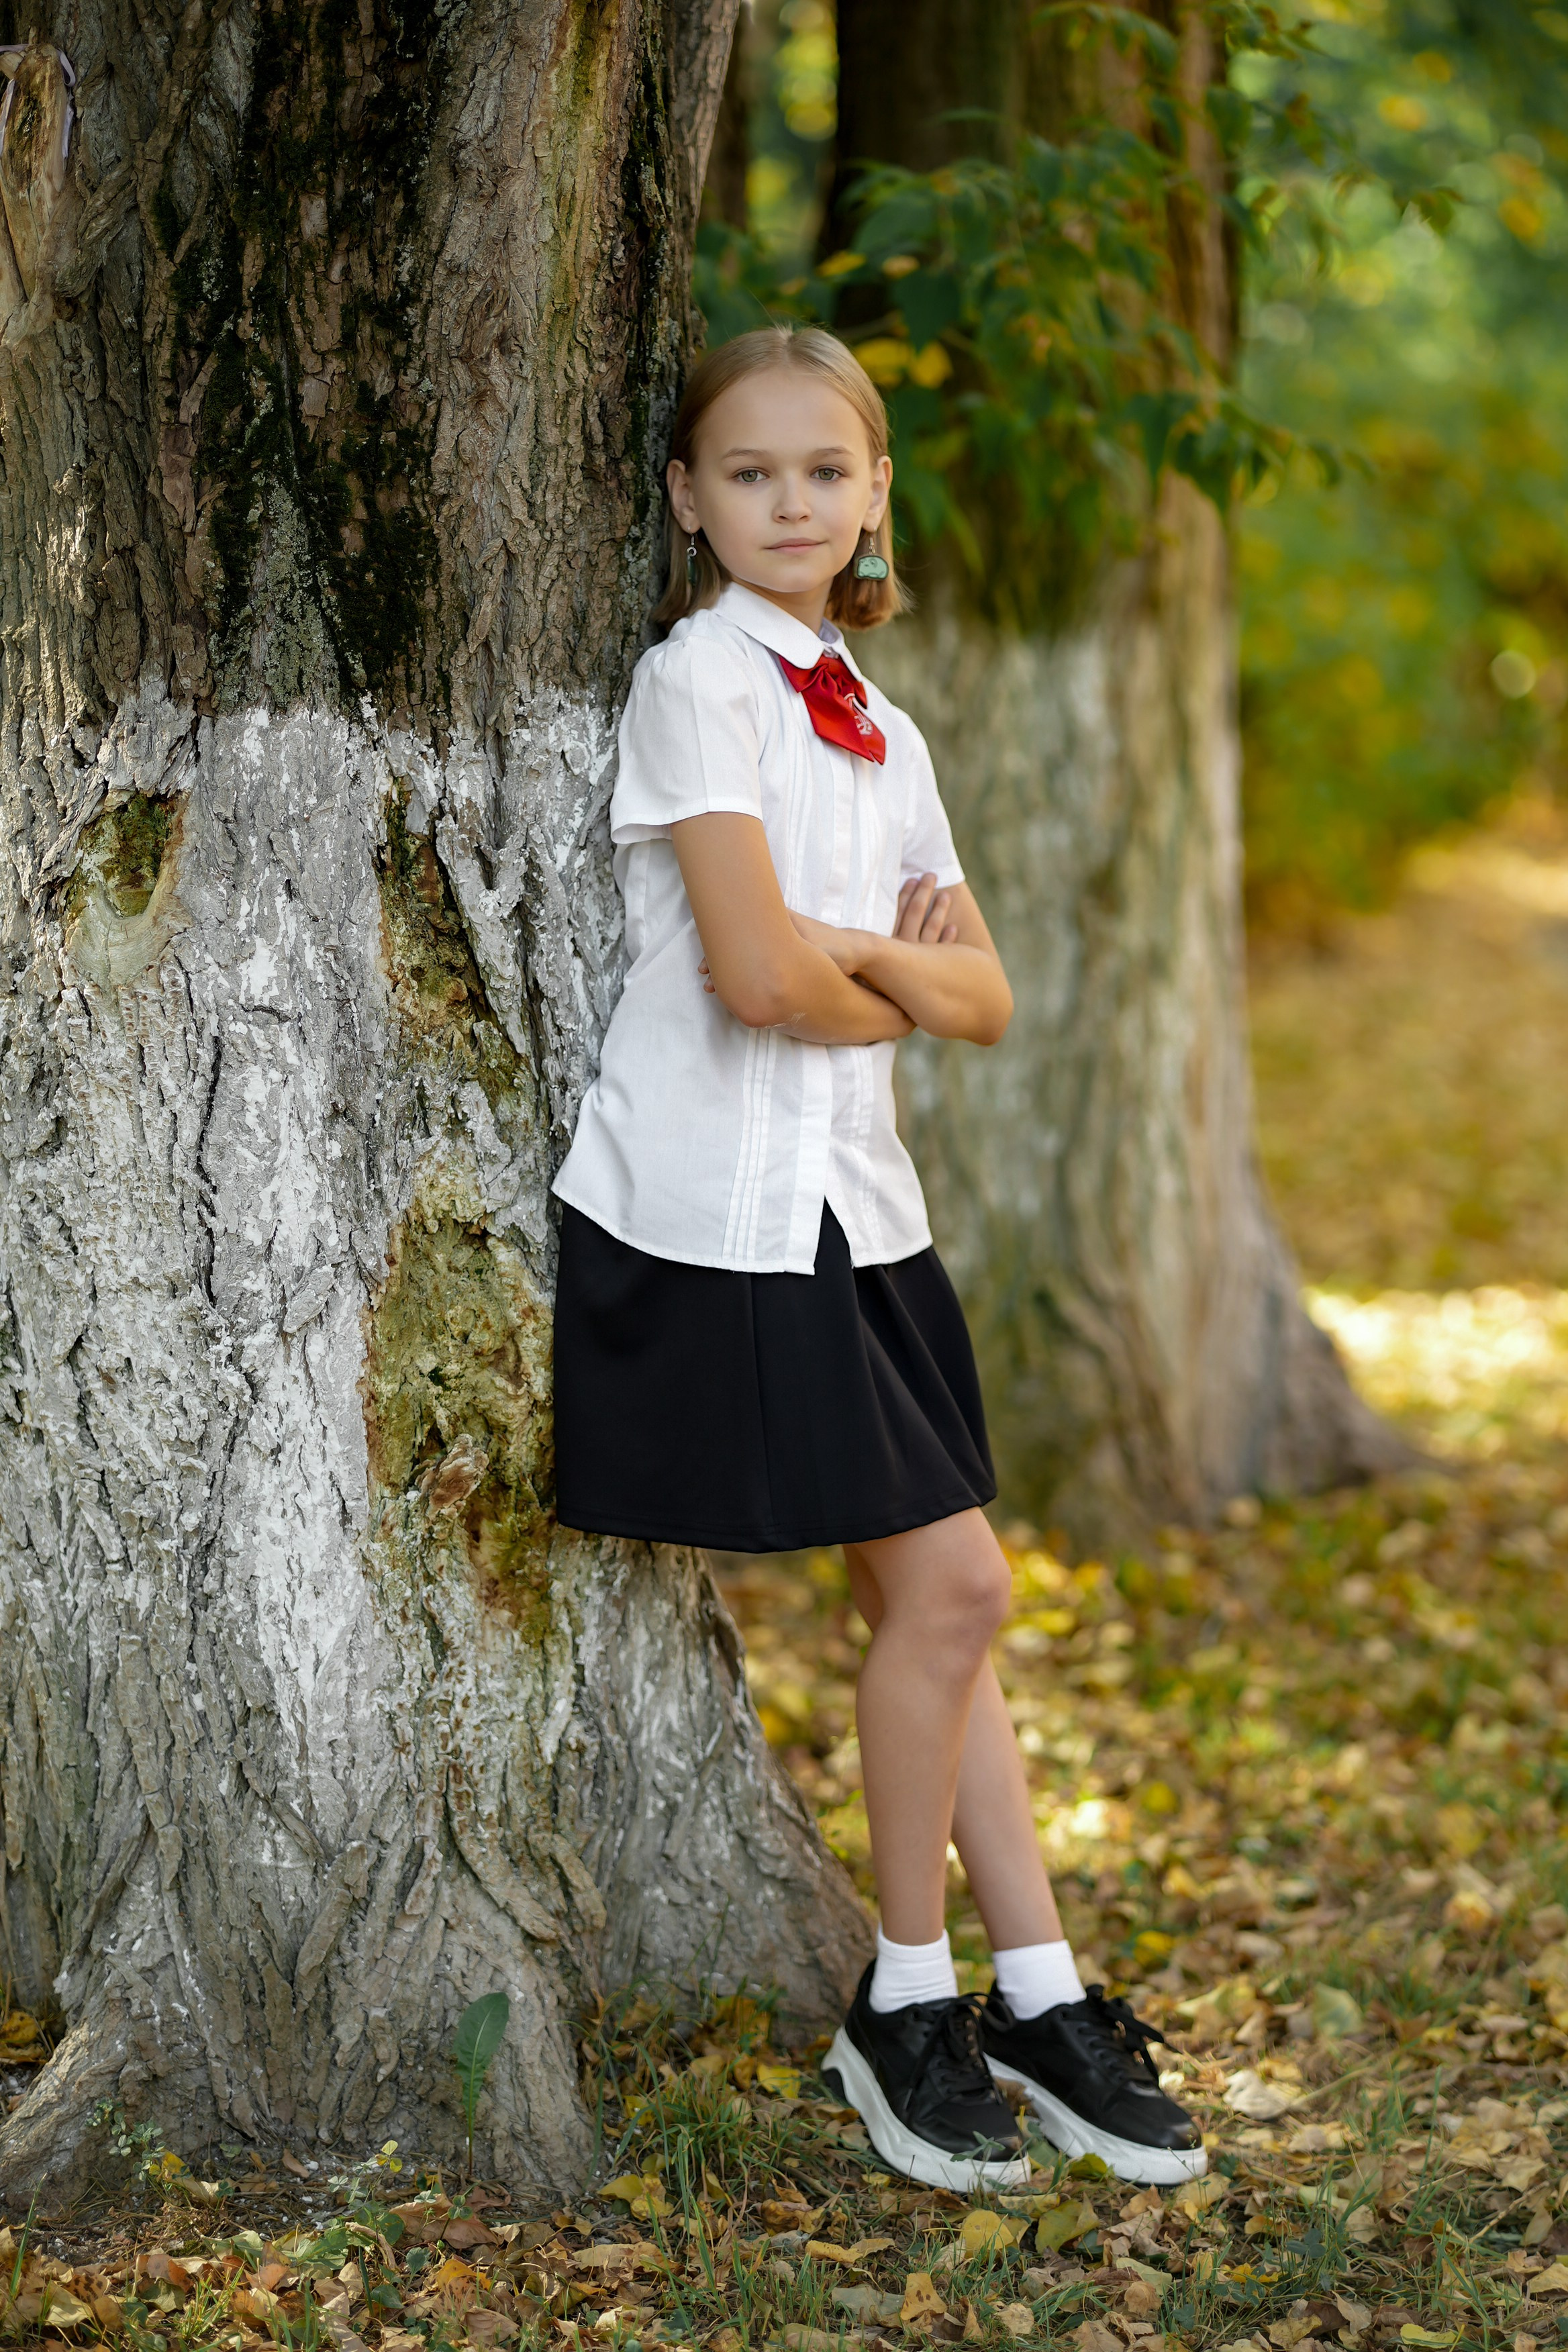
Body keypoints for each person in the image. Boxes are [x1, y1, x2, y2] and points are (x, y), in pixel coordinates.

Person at [551, 324, 1204, 2192]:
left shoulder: (883, 723)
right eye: (748, 474)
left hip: (861, 1222)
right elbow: (756, 984)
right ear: (687, 499)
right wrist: (877, 968)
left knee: (940, 1606)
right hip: (715, 1234)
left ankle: (1039, 1991)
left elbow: (983, 1000)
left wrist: (880, 969)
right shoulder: (703, 685)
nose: (788, 504)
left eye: (822, 474)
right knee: (954, 1598)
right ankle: (908, 2001)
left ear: (873, 498)